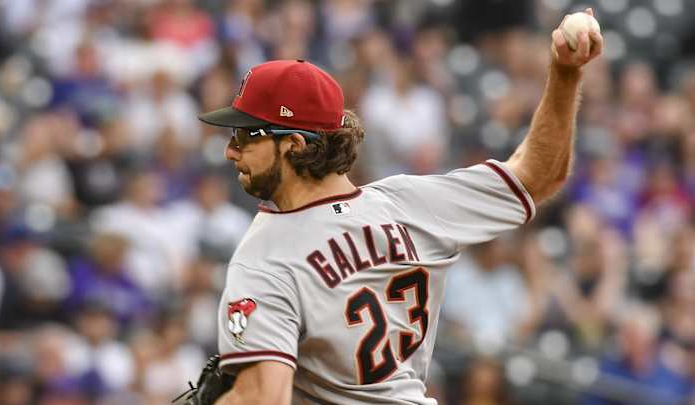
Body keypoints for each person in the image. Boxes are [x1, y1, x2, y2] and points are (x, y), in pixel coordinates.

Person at [196, 8, 603, 405]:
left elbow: (265, 396)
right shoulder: (411, 204)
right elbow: (538, 175)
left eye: (246, 134)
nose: (231, 151)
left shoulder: (263, 258)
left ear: (294, 145)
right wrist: (564, 73)